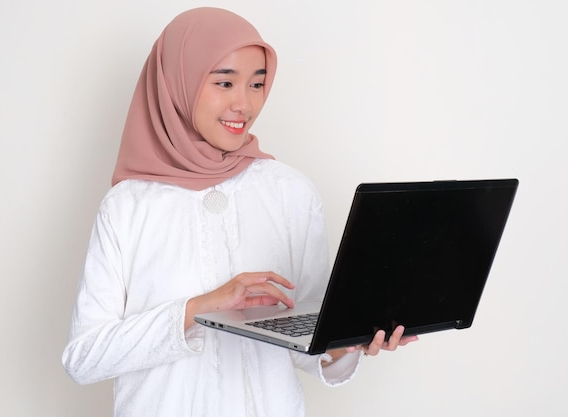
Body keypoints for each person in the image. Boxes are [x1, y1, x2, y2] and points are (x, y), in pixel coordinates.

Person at [62, 7, 416, 417]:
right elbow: (83, 358)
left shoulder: (290, 193)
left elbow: (306, 338)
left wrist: (347, 342)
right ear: (179, 80)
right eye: (225, 82)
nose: (243, 104)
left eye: (257, 84)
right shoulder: (127, 207)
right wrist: (199, 308)